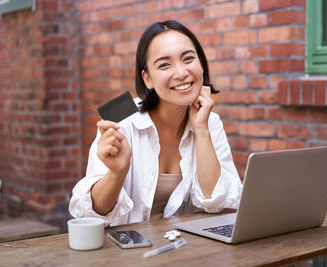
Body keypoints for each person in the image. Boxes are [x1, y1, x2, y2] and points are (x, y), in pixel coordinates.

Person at [69, 20, 242, 225]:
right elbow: (89, 215)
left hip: (186, 250)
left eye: (188, 59)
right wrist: (117, 172)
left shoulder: (209, 122)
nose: (181, 73)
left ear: (201, 65)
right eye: (164, 65)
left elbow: (219, 204)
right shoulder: (122, 120)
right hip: (124, 252)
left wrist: (201, 130)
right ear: (147, 79)